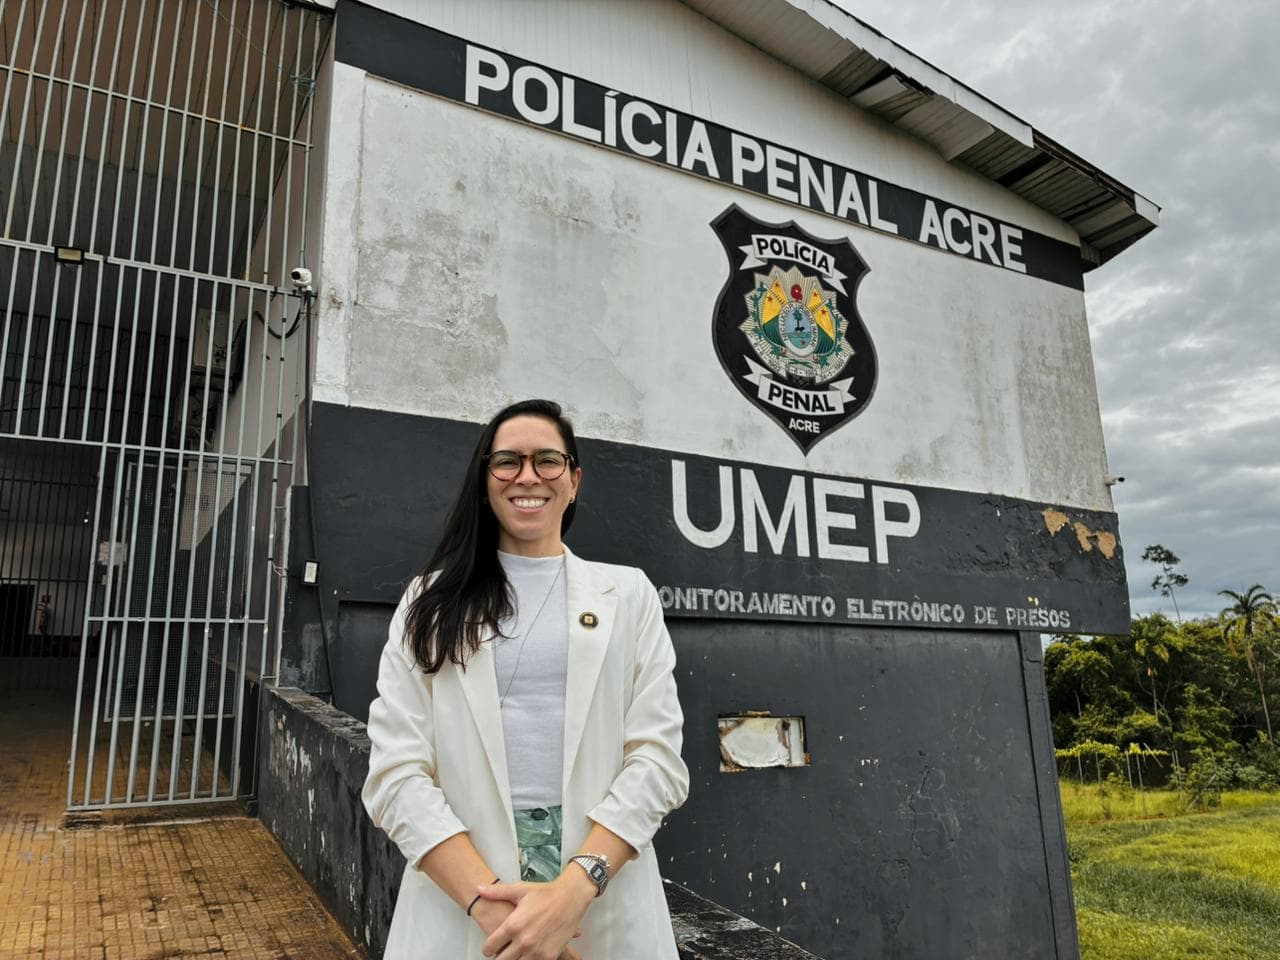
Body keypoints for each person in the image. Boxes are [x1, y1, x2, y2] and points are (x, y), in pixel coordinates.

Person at [363, 399, 689, 959]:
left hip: (601, 900)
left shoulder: (629, 594)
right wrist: (500, 916)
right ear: (485, 480)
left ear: (574, 480)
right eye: (507, 461)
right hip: (466, 903)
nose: (528, 476)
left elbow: (657, 760)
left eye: (547, 460)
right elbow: (396, 772)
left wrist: (571, 894)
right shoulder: (429, 601)